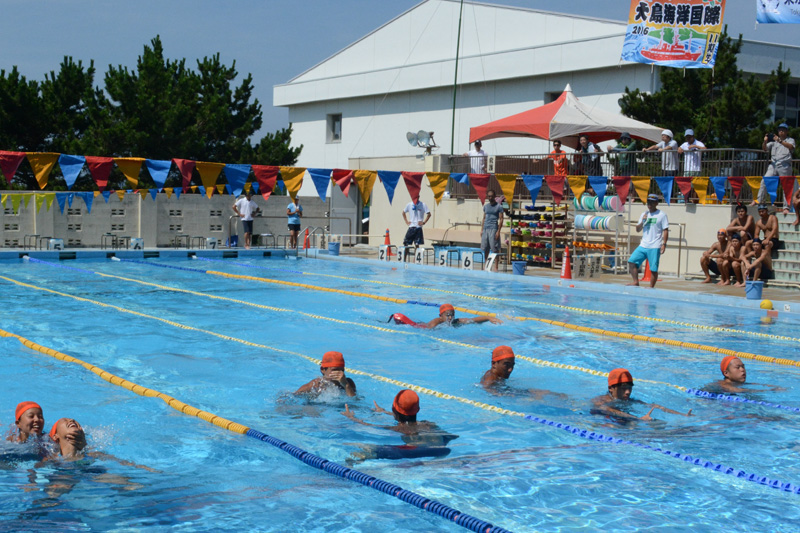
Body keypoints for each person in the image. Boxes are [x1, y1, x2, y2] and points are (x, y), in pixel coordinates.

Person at [342, 390, 457, 460]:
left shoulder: (398, 429)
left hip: (412, 452)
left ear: (394, 410)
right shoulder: (428, 424)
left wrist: (352, 418)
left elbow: (368, 425)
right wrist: (385, 412)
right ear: (418, 410)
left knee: (365, 448)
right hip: (440, 450)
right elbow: (451, 436)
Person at [591, 368, 692, 422]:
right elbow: (609, 410)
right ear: (611, 389)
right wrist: (638, 418)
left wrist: (682, 415)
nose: (627, 392)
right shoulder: (602, 401)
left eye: (629, 388)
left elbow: (655, 406)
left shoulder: (628, 400)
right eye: (623, 388)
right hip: (602, 421)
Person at [627, 194, 669, 288]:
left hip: (655, 245)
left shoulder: (662, 215)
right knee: (631, 261)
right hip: (643, 245)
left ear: (657, 203)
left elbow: (665, 230)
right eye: (648, 201)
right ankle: (635, 282)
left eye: (652, 202)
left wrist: (664, 244)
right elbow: (638, 229)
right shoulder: (644, 214)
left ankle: (651, 287)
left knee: (653, 269)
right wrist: (642, 221)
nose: (649, 203)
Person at [756, 123, 796, 205]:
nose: (781, 131)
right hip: (773, 164)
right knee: (764, 180)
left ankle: (786, 206)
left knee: (785, 186)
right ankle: (758, 201)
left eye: (783, 130)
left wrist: (780, 141)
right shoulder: (773, 142)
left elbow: (791, 147)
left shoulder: (790, 140)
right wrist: (765, 141)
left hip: (784, 164)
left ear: (787, 131)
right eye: (780, 130)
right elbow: (765, 149)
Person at [703, 356, 784, 395]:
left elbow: (752, 385)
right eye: (738, 367)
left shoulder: (737, 383)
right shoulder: (723, 384)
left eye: (743, 367)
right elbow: (738, 390)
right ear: (726, 373)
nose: (742, 370)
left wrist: (771, 386)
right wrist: (769, 390)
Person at [424, 303, 502, 329]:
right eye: (448, 315)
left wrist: (488, 318)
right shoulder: (436, 322)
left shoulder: (456, 321)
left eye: (452, 315)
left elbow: (473, 320)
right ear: (440, 315)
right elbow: (428, 331)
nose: (450, 318)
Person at [480, 190, 504, 271]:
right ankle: (486, 264)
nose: (490, 198)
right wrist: (481, 229)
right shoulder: (486, 206)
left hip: (493, 228)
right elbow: (484, 218)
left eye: (491, 196)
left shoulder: (499, 207)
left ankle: (496, 266)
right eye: (489, 196)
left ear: (494, 196)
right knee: (485, 248)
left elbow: (501, 219)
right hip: (486, 228)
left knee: (494, 248)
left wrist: (498, 231)